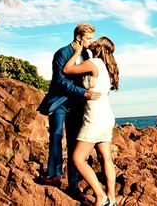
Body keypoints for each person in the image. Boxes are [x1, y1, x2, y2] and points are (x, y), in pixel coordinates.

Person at [36, 23, 100, 195]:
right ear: (78, 37)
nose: (91, 42)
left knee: (75, 141)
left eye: (92, 38)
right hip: (60, 102)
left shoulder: (88, 54)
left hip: (78, 104)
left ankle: (74, 184)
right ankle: (54, 175)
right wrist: (83, 92)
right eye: (88, 38)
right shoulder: (61, 53)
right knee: (56, 136)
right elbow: (60, 81)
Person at [64, 37, 120, 206]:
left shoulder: (93, 62)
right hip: (107, 115)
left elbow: (67, 69)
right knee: (106, 158)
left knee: (77, 158)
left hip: (95, 116)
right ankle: (112, 199)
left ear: (99, 46)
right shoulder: (108, 66)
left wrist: (76, 53)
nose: (92, 41)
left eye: (95, 40)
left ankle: (101, 196)